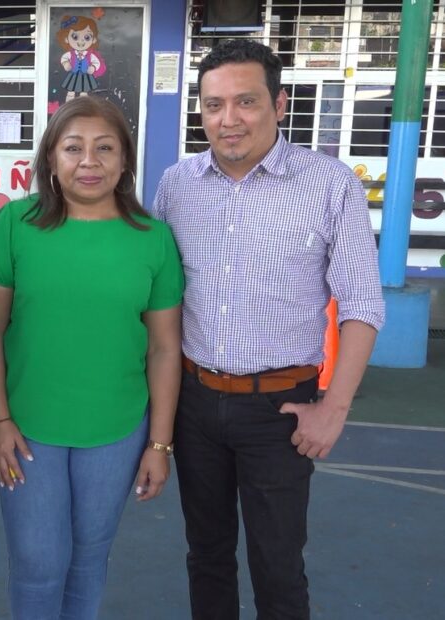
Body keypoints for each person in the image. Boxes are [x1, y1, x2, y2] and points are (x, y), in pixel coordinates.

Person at [152, 39, 385, 620]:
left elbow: (362, 303)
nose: (228, 119)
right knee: (206, 557)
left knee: (278, 567)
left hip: (281, 410)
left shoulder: (330, 184)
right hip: (194, 403)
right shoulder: (176, 185)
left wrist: (333, 410)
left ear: (279, 104)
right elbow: (157, 297)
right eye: (213, 105)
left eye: (246, 101)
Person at [0, 96, 184, 620]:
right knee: (37, 564)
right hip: (27, 428)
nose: (89, 161)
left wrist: (159, 443)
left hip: (117, 430)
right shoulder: (14, 224)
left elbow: (164, 347)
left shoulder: (153, 240)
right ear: (51, 157)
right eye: (73, 148)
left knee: (89, 560)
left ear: (125, 160)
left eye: (104, 148)